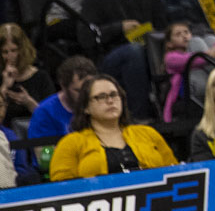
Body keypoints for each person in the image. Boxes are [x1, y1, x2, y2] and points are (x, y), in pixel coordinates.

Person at [79, 0, 167, 118]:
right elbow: (85, 36)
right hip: (108, 57)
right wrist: (119, 28)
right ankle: (139, 117)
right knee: (134, 52)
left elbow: (163, 29)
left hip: (149, 54)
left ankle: (169, 112)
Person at [48, 74, 177, 180]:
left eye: (114, 95)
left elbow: (174, 171)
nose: (110, 101)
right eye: (101, 97)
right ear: (86, 107)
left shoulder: (148, 133)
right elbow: (61, 187)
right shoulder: (71, 143)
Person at [26, 56, 97, 141]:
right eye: (78, 91)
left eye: (89, 89)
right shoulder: (45, 113)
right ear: (63, 86)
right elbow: (44, 152)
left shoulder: (97, 105)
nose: (85, 95)